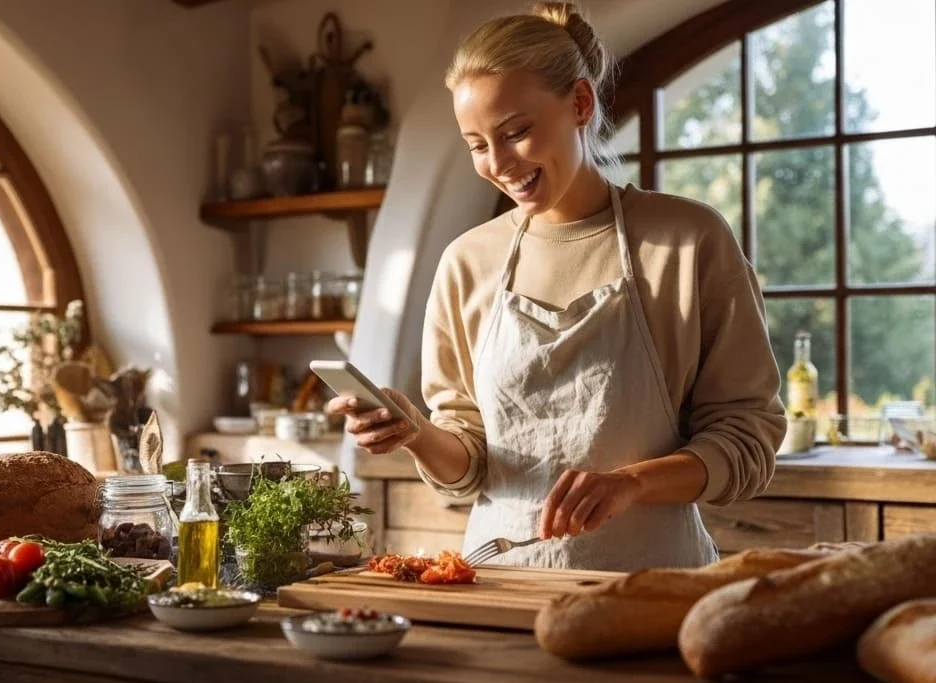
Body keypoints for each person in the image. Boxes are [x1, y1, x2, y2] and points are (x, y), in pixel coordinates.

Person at [326, 1, 786, 572]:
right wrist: (416, 432)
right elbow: (469, 466)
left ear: (580, 103)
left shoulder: (687, 241)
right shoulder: (466, 263)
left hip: (654, 587)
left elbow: (748, 440)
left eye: (515, 132)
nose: (497, 163)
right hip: (500, 586)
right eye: (475, 144)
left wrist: (631, 484)